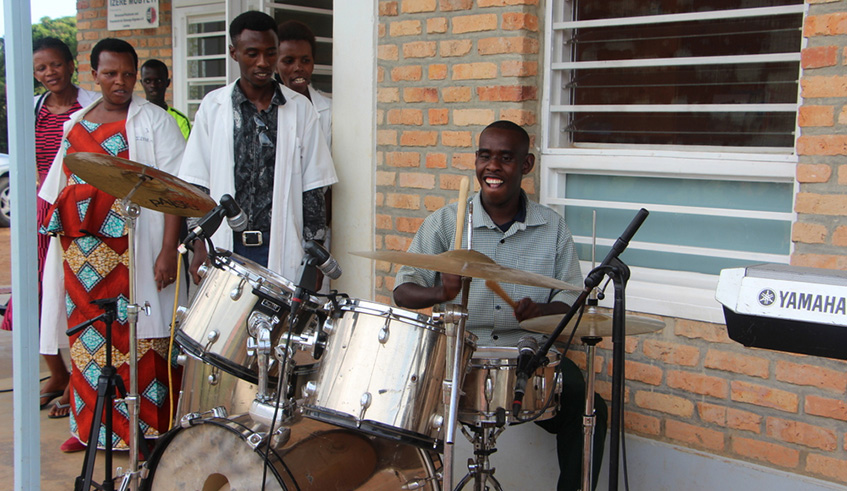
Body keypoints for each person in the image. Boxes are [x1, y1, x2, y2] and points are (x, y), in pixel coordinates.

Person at [393, 120, 607, 490]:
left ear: (526, 166)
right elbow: (402, 292)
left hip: (528, 356)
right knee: (402, 401)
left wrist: (540, 312)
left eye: (506, 158)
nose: (492, 167)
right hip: (458, 353)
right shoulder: (447, 223)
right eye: (484, 156)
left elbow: (572, 301)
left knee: (588, 407)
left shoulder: (553, 228)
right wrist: (440, 294)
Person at [39, 38, 186, 453]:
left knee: (142, 341)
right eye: (110, 74)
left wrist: (166, 251)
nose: (120, 82)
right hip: (81, 256)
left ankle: (147, 434)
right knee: (91, 343)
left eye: (127, 73)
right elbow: (58, 187)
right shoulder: (77, 122)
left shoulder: (155, 121)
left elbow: (176, 191)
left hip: (133, 254)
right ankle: (88, 431)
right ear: (94, 75)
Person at [179, 11, 336, 281]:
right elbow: (197, 184)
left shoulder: (300, 109)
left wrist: (315, 256)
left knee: (277, 323)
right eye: (252, 53)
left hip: (282, 245)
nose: (263, 63)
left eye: (270, 53)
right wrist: (199, 244)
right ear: (234, 53)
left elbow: (314, 191)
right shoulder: (213, 107)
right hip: (227, 243)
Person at [1, 37, 99, 419]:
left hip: (81, 208)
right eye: (40, 68)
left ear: (71, 64)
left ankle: (80, 377)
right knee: (34, 293)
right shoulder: (33, 108)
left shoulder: (90, 104)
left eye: (55, 65)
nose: (48, 74)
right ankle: (56, 373)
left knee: (75, 291)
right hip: (40, 211)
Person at [139, 58, 191, 140]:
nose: (153, 85)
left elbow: (185, 151)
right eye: (148, 81)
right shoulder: (133, 117)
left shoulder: (181, 120)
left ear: (167, 83)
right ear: (142, 83)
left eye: (158, 81)